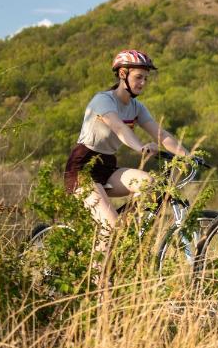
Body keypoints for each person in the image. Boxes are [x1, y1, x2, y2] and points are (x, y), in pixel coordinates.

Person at [64, 49, 191, 232]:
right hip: (82, 167)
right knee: (111, 227)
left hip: (107, 165)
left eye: (146, 79)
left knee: (151, 184)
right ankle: (107, 242)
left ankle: (127, 232)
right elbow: (119, 128)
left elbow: (161, 135)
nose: (143, 83)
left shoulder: (136, 107)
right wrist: (141, 148)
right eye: (139, 77)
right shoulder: (103, 100)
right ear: (123, 74)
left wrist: (190, 157)